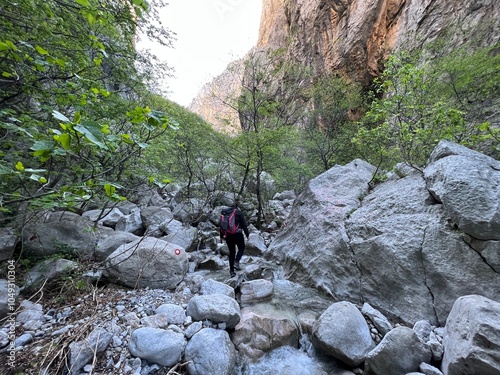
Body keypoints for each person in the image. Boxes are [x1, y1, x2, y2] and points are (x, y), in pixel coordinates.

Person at [220, 202, 249, 277]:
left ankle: (232, 271)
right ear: (237, 207)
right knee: (241, 248)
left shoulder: (225, 213)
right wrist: (247, 235)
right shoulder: (239, 212)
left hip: (228, 235)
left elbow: (221, 225)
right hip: (238, 234)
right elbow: (244, 225)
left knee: (232, 252)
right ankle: (237, 261)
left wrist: (221, 236)